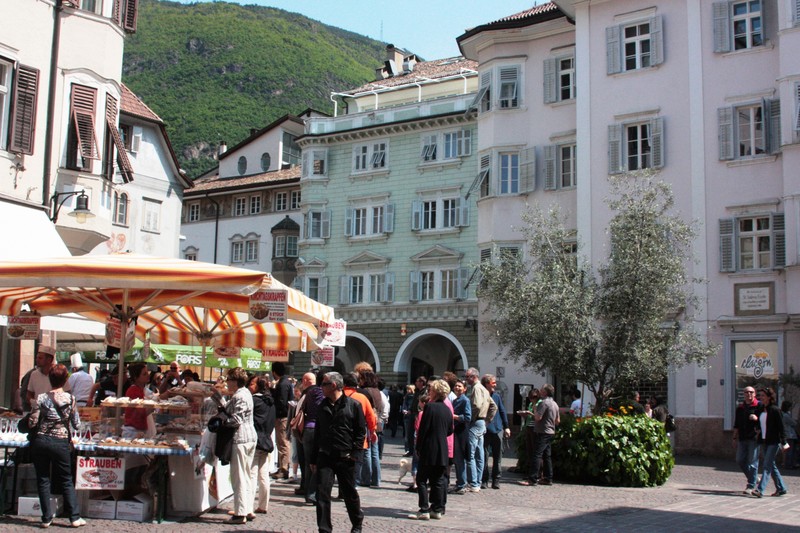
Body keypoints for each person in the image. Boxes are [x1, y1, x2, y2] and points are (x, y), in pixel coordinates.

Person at [29, 363, 85, 528]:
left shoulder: (41, 398)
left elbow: (33, 422)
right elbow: (77, 425)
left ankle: (46, 517)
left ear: (50, 379)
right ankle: (74, 517)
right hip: (60, 442)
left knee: (43, 479)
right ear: (65, 379)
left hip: (41, 441)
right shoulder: (71, 399)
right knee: (66, 479)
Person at [310, 372, 366, 533]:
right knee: (322, 494)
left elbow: (360, 432)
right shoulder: (322, 406)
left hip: (346, 457)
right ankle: (324, 529)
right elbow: (318, 433)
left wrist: (355, 454)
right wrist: (314, 458)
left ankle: (357, 523)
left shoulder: (353, 405)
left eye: (324, 384)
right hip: (325, 456)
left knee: (349, 494)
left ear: (333, 385)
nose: (321, 387)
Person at [214, 367, 257, 524]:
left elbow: (236, 420)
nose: (227, 383)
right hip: (250, 437)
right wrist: (217, 398)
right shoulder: (244, 393)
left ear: (235, 381)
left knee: (238, 477)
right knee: (246, 476)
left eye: (229, 380)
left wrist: (222, 422)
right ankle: (247, 509)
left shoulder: (240, 395)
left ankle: (240, 514)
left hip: (241, 439)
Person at [409, 379, 453, 521]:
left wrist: (418, 447)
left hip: (429, 447)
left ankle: (423, 509)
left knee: (422, 479)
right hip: (442, 449)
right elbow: (450, 430)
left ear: (436, 392)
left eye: (431, 390)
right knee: (438, 480)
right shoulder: (447, 409)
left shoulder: (430, 407)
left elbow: (423, 429)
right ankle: (437, 509)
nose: (429, 392)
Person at [519, 383, 559, 487]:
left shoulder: (544, 403)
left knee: (536, 454)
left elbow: (537, 418)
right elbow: (557, 421)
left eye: (541, 390)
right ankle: (548, 478)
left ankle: (532, 479)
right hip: (550, 431)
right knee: (547, 456)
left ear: (545, 392)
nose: (540, 391)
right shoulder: (555, 404)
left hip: (542, 431)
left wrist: (533, 412)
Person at [342, 372, 377, 487]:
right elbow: (371, 417)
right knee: (357, 463)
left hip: (341, 435)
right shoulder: (362, 397)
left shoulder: (338, 395)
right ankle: (354, 485)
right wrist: (373, 431)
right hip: (358, 436)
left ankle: (343, 488)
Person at [753, 387, 788, 498]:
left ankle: (760, 489)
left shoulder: (775, 410)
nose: (761, 398)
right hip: (764, 440)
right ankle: (781, 488)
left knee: (767, 465)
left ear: (769, 397)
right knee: (771, 465)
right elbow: (760, 423)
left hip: (774, 441)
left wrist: (784, 442)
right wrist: (756, 426)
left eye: (763, 396)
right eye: (760, 396)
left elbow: (781, 428)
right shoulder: (761, 409)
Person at [248, 374, 275, 514]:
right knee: (263, 474)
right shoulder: (270, 401)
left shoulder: (254, 401)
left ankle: (248, 507)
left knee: (252, 474)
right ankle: (263, 505)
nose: (250, 386)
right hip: (266, 440)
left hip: (256, 440)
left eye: (252, 384)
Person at [299, 371, 324, 504]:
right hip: (315, 430)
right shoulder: (320, 393)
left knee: (309, 462)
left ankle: (308, 490)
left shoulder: (308, 392)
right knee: (317, 463)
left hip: (307, 429)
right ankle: (312, 493)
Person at [482, 374, 510, 490]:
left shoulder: (497, 396)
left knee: (498, 457)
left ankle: (496, 479)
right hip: (485, 430)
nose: (495, 384)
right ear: (487, 383)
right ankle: (484, 480)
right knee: (484, 456)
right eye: (493, 382)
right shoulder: (481, 395)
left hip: (497, 429)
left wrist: (506, 427)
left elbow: (502, 411)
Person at [733, 386, 762, 495]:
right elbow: (736, 424)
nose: (748, 394)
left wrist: (757, 418)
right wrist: (734, 438)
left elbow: (765, 420)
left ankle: (750, 485)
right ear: (744, 394)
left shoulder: (759, 406)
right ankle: (753, 478)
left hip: (754, 438)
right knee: (740, 460)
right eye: (746, 392)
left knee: (752, 462)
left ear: (754, 394)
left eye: (751, 392)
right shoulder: (740, 408)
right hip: (742, 437)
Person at [464, 367, 489, 492]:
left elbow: (477, 405)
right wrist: (487, 420)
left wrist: (470, 418)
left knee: (471, 454)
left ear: (474, 377)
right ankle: (477, 482)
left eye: (467, 376)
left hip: (475, 422)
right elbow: (492, 406)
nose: (466, 379)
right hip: (481, 422)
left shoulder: (476, 388)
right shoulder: (484, 388)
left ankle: (473, 483)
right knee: (480, 455)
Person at [357, 370, 383, 487]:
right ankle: (376, 479)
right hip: (376, 421)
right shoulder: (377, 391)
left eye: (361, 379)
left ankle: (366, 478)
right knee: (375, 452)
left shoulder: (365, 391)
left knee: (367, 451)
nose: (360, 381)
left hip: (369, 422)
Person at [271, 361, 293, 480]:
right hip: (284, 416)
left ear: (274, 372)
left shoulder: (282, 384)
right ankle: (282, 467)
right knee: (283, 443)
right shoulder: (286, 382)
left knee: (283, 443)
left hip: (282, 417)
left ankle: (284, 469)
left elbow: (282, 402)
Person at [450, 379, 472, 495]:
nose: (457, 388)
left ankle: (462, 484)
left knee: (460, 459)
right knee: (456, 459)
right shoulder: (455, 400)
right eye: (456, 386)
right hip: (455, 432)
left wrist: (455, 416)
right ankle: (459, 482)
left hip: (461, 432)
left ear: (464, 389)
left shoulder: (465, 400)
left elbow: (468, 417)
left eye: (459, 386)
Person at [122, 363, 151, 438]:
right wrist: (154, 406)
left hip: (138, 429)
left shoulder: (141, 389)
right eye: (144, 374)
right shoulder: (134, 391)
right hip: (133, 431)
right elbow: (141, 413)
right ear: (136, 377)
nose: (148, 375)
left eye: (147, 373)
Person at [780, 401, 798, 469]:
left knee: (788, 450)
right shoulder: (786, 415)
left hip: (787, 435)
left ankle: (788, 463)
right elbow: (793, 423)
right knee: (790, 451)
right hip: (789, 435)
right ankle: (788, 464)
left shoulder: (783, 414)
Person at [402, 384, 416, 456]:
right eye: (407, 389)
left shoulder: (415, 397)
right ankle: (407, 450)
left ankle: (412, 449)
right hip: (407, 417)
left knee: (413, 435)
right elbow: (404, 405)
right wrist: (404, 410)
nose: (408, 390)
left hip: (412, 416)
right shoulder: (406, 397)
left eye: (409, 389)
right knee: (407, 434)